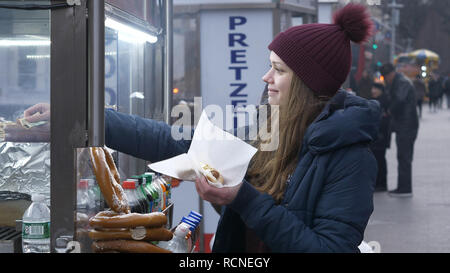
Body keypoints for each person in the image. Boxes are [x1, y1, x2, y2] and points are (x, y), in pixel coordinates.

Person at [24, 4, 380, 252]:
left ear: (306, 83)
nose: (266, 77)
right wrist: (79, 116)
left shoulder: (350, 157)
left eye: (279, 70)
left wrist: (243, 199)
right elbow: (171, 140)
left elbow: (329, 248)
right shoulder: (270, 128)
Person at [379, 63, 418, 197]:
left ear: (391, 74)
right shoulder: (398, 81)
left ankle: (405, 188)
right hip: (405, 124)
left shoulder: (401, 82)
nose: (386, 79)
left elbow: (399, 100)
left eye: (386, 76)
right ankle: (403, 186)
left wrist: (389, 111)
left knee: (404, 156)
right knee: (403, 156)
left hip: (406, 125)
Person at [369, 83, 391, 192]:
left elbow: (385, 120)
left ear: (381, 90)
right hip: (376, 135)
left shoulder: (384, 102)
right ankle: (378, 183)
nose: (373, 90)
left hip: (381, 136)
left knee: (380, 160)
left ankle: (381, 184)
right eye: (372, 88)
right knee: (377, 160)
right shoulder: (375, 101)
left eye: (376, 89)